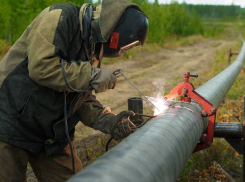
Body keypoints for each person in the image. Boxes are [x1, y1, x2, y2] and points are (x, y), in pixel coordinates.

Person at [0, 0, 148, 181]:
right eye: (126, 47)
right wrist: (91, 76)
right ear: (115, 32)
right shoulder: (60, 16)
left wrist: (110, 121)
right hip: (10, 122)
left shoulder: (92, 48)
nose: (122, 53)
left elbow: (79, 97)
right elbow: (41, 67)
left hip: (53, 134)